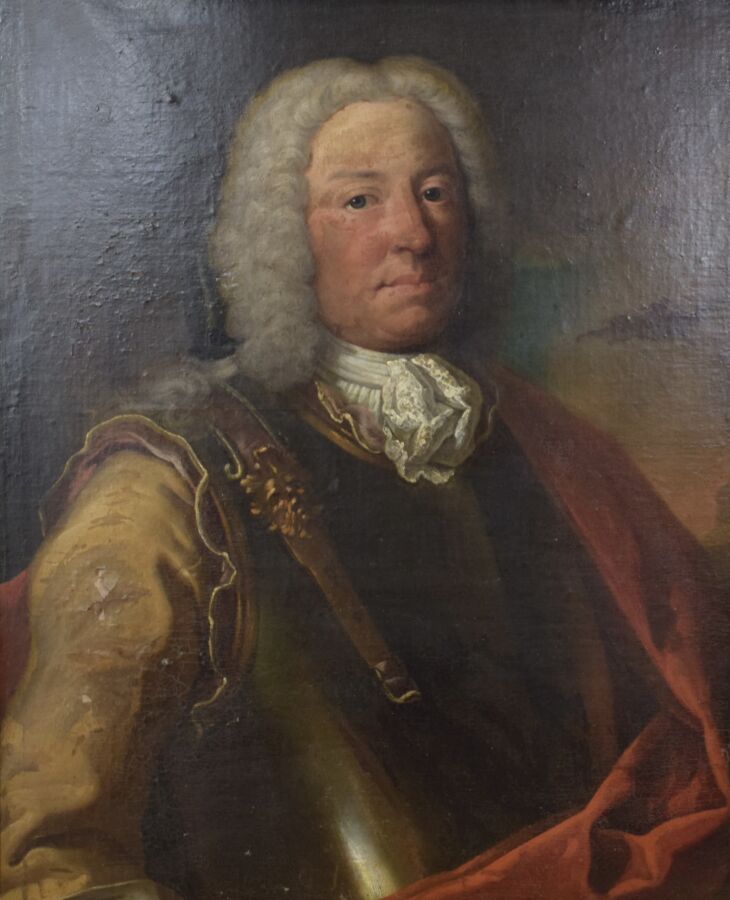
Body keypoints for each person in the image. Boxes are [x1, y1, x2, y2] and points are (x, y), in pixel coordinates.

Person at [1, 57, 728, 900]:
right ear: (283, 240)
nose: (412, 234)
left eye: (435, 192)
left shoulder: (542, 444)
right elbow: (48, 852)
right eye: (359, 201)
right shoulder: (168, 485)